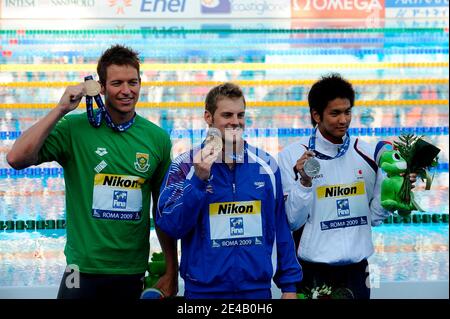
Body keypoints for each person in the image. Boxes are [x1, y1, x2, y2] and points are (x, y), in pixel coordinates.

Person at [6, 45, 178, 299]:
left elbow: (162, 209)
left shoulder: (157, 139)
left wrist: (172, 271)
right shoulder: (74, 129)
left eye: (133, 82)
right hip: (80, 268)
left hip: (131, 269)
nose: (126, 90)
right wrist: (60, 109)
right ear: (101, 86)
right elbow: (16, 158)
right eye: (117, 83)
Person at [156, 82, 302, 299]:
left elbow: (280, 227)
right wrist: (197, 181)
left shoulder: (266, 166)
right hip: (203, 293)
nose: (235, 122)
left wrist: (289, 285)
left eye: (240, 115)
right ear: (208, 117)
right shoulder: (185, 165)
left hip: (256, 292)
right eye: (227, 115)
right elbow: (172, 226)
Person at [278, 73, 415, 299]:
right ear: (316, 115)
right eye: (335, 113)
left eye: (347, 112)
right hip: (312, 271)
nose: (343, 120)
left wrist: (397, 189)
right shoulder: (292, 157)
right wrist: (304, 182)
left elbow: (376, 217)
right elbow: (292, 221)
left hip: (357, 271)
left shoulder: (369, 153)